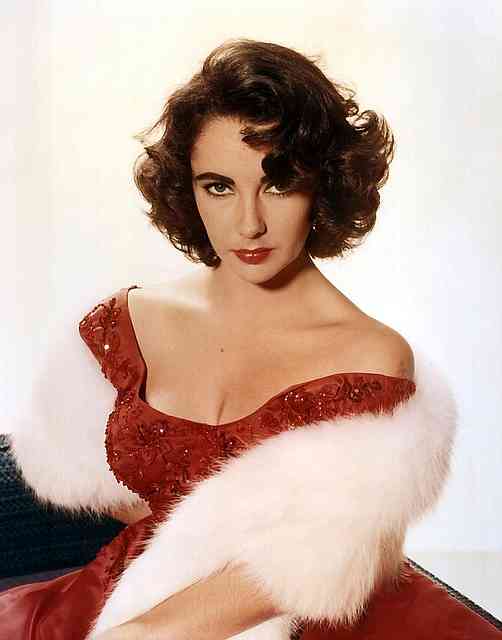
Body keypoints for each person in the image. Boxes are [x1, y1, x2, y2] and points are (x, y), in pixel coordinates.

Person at [1, 38, 497, 640]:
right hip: (130, 594)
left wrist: (148, 631)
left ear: (325, 185)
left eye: (278, 184)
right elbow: (110, 493)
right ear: (187, 189)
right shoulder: (127, 324)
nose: (249, 222)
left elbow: (305, 563)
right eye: (219, 186)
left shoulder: (369, 357)